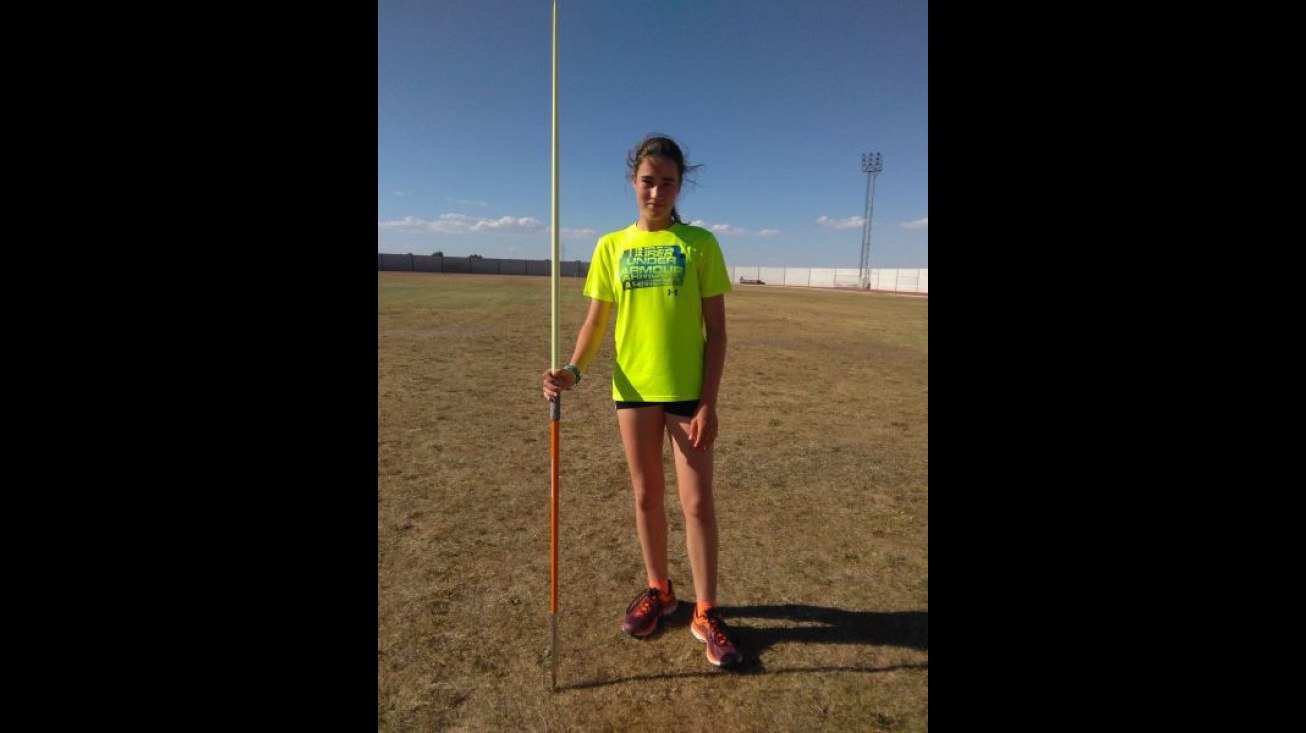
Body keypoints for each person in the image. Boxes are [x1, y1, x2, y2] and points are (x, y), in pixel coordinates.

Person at [541, 134, 741, 668]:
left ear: (680, 186)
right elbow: (595, 321)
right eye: (648, 181)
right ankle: (660, 591)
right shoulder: (612, 247)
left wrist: (709, 402)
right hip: (632, 390)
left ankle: (706, 610)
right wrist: (572, 370)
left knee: (697, 502)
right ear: (634, 182)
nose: (657, 192)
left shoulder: (699, 244)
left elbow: (716, 332)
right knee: (646, 496)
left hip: (686, 390)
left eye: (668, 182)